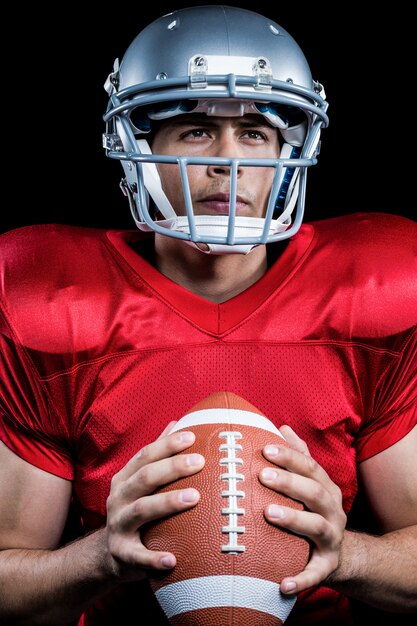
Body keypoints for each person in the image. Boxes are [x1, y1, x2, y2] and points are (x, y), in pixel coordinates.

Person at [0, 5, 416, 625]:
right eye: (195, 129)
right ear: (142, 146)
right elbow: (12, 582)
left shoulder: (373, 290)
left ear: (289, 147)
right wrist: (99, 559)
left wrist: (346, 554)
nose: (230, 159)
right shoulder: (53, 301)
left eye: (254, 130)